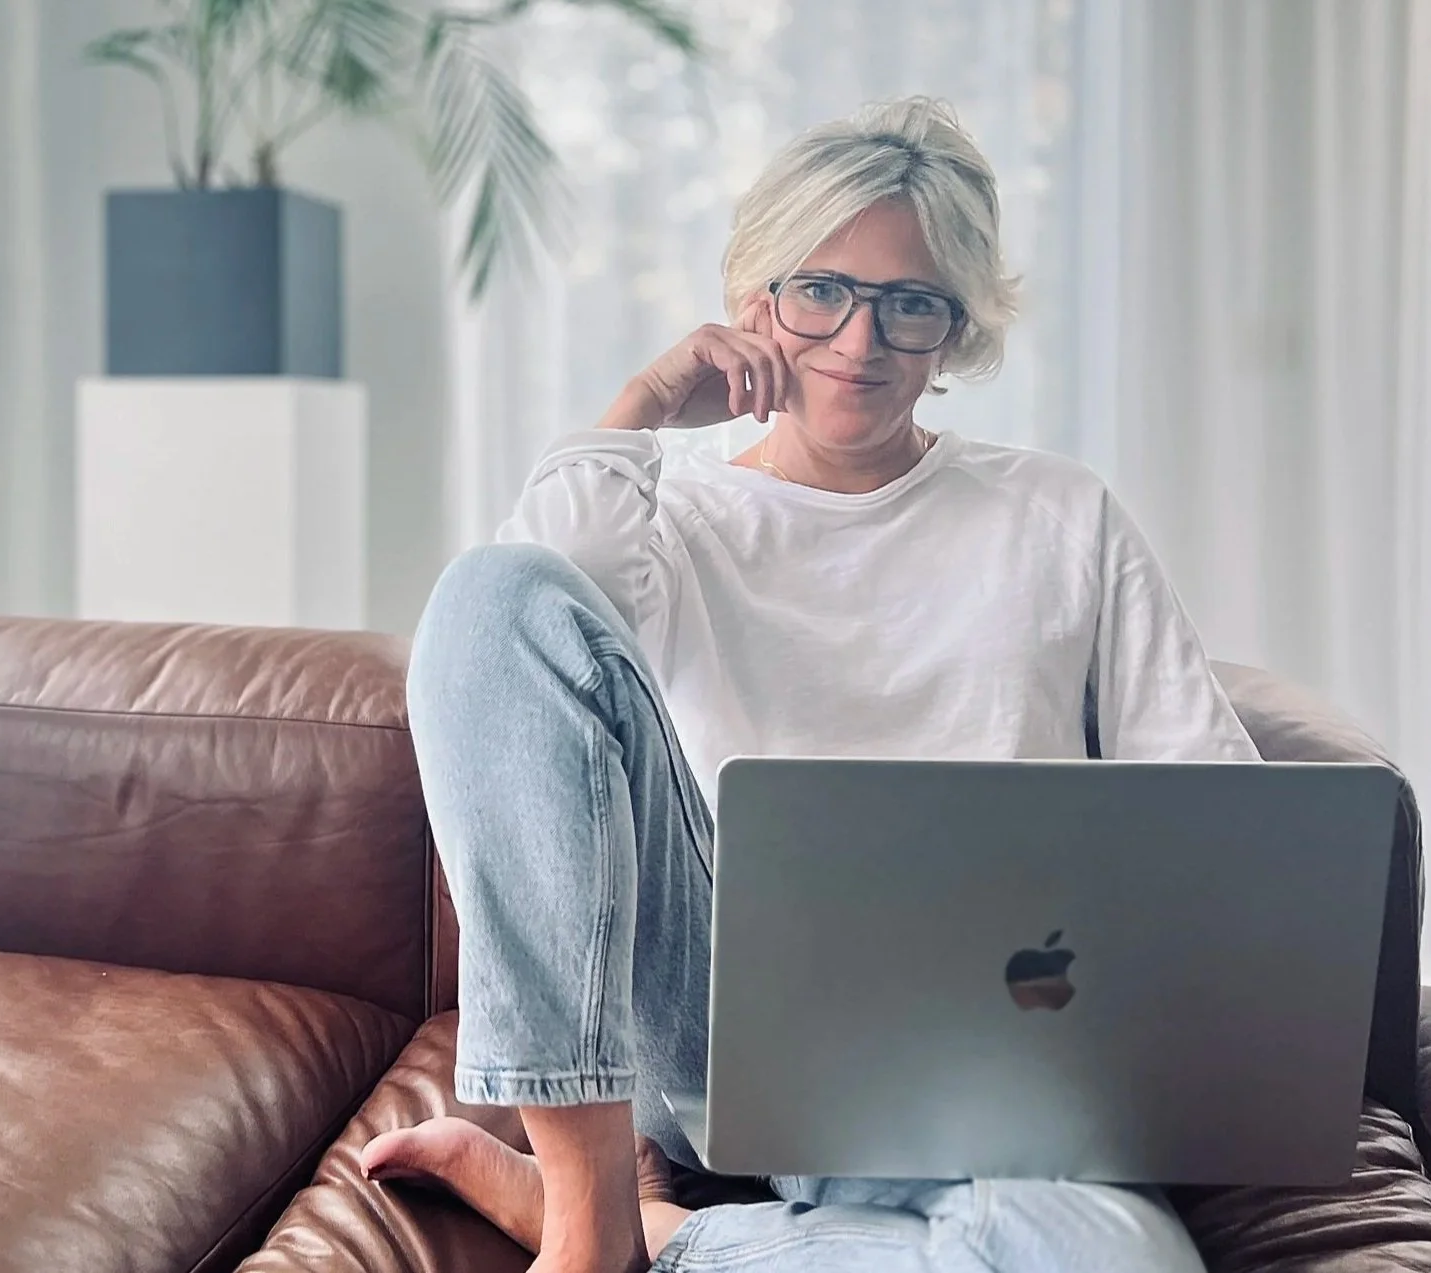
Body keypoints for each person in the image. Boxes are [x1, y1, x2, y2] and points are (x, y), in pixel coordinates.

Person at [359, 96, 1259, 1273]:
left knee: (1119, 1259)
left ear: (955, 329)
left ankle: (675, 1237)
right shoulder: (663, 507)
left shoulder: (1060, 511)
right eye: (821, 291)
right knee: (491, 589)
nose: (859, 340)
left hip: (990, 1049)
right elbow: (503, 655)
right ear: (757, 300)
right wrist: (639, 410)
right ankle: (583, 1218)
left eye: (910, 303)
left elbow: (1215, 813)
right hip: (717, 1022)